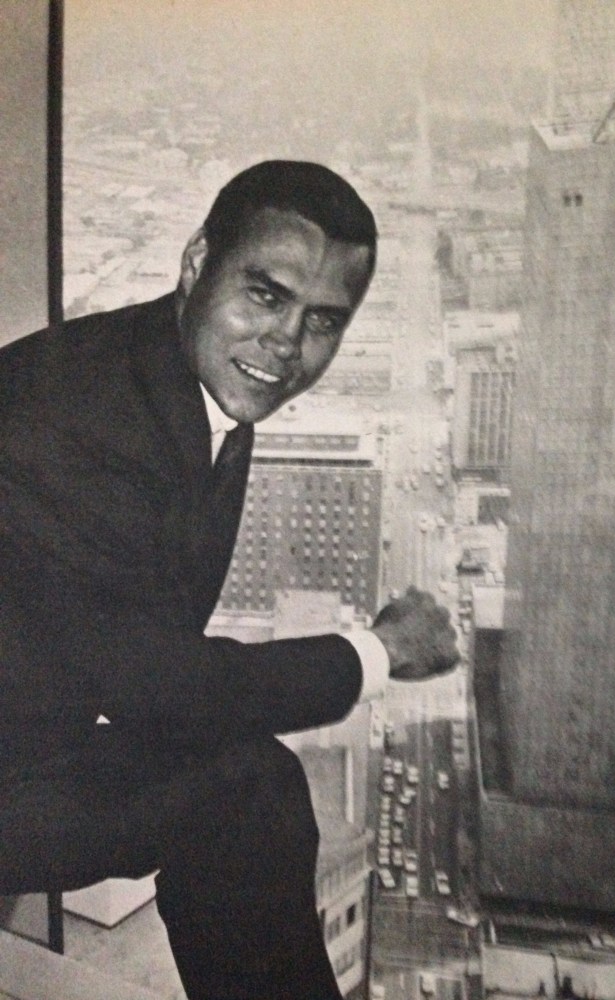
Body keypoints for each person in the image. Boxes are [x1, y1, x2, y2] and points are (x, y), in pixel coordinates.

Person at [0, 160, 458, 999]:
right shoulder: (76, 422)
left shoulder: (181, 374)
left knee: (248, 786)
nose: (287, 341)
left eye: (323, 320)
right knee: (247, 795)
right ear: (195, 263)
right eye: (267, 295)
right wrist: (378, 652)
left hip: (27, 737)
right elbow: (161, 687)